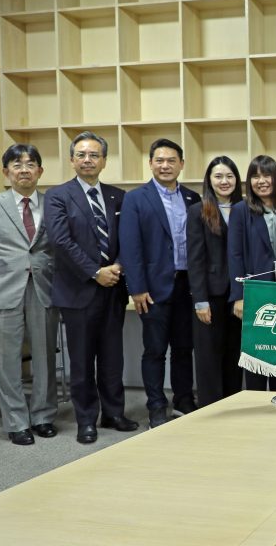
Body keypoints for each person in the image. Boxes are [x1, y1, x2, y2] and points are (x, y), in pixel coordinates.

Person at [45, 131, 138, 444]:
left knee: (113, 357)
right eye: (81, 155)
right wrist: (95, 271)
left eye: (94, 155)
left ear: (104, 161)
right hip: (78, 291)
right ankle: (86, 419)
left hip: (113, 289)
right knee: (82, 360)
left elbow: (129, 238)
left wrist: (118, 267)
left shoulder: (118, 196)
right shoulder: (58, 196)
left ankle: (114, 413)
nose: (88, 160)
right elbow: (61, 241)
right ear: (72, 160)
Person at [0, 144, 59, 445]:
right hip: (3, 291)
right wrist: (2, 274)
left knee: (45, 355)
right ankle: (16, 421)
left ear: (40, 171)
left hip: (43, 289)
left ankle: (44, 416)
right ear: (5, 171)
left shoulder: (52, 203)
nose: (24, 169)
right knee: (7, 360)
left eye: (30, 164)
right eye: (17, 164)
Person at [119, 138, 201, 428]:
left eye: (171, 161)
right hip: (152, 289)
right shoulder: (136, 198)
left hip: (186, 286)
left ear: (181, 164)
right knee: (154, 350)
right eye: (159, 160)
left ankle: (183, 400)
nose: (165, 166)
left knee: (183, 347)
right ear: (151, 163)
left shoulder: (192, 198)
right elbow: (130, 247)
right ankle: (155, 405)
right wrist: (137, 288)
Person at [187, 156, 243, 407]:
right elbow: (195, 259)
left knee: (234, 356)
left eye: (229, 176)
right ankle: (209, 410)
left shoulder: (245, 208)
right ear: (209, 180)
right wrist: (200, 300)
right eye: (218, 176)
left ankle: (230, 406)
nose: (224, 181)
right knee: (209, 358)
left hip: (240, 295)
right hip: (210, 295)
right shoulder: (198, 211)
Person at [229, 155, 276, 392]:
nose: (261, 181)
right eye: (255, 176)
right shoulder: (241, 210)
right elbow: (234, 256)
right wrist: (238, 296)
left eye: (267, 175)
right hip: (256, 290)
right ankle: (255, 401)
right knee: (258, 355)